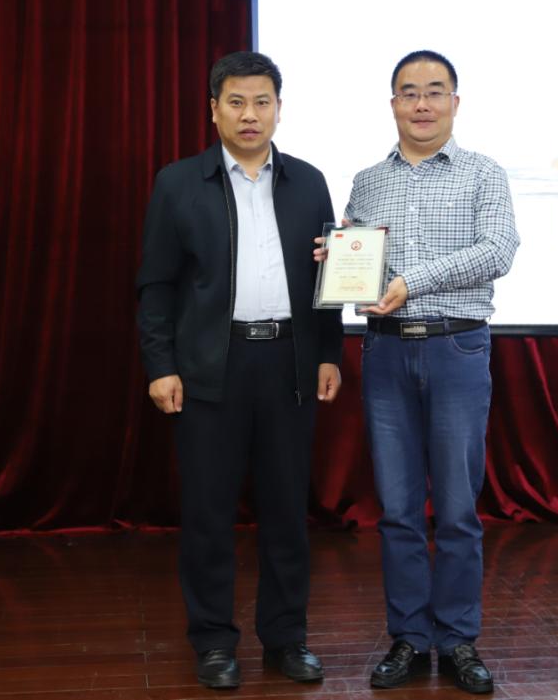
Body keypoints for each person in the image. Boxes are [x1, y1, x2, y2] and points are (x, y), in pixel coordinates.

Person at [136, 51, 343, 690]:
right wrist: (161, 365)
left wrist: (329, 352)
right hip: (209, 367)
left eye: (262, 102)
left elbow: (330, 278)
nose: (250, 114)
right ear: (214, 110)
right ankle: (213, 642)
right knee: (207, 514)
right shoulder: (178, 183)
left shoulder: (308, 182)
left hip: (288, 363)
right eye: (236, 102)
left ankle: (286, 638)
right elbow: (156, 285)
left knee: (287, 512)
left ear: (279, 108)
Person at [339, 50, 519, 693]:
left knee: (459, 510)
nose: (421, 103)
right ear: (393, 103)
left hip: (457, 349)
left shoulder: (483, 173)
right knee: (397, 508)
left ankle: (459, 639)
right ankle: (410, 639)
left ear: (454, 102)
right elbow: (360, 265)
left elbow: (498, 251)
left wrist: (412, 282)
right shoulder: (367, 181)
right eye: (409, 92)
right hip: (385, 353)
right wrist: (337, 261)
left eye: (434, 91)